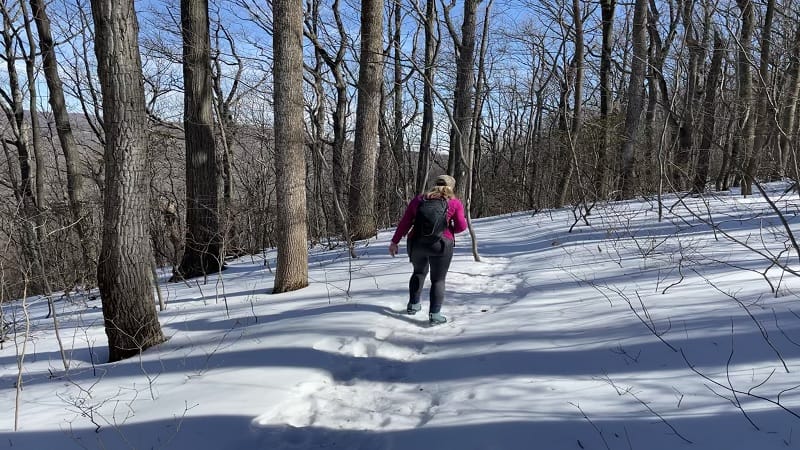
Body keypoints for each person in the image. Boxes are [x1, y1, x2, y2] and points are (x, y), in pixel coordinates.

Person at [389, 174, 468, 325]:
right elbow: (461, 227)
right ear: (451, 187)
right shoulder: (454, 203)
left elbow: (405, 222)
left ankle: (413, 305)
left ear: (435, 184)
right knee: (438, 279)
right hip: (441, 244)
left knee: (418, 272)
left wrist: (394, 242)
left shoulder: (419, 199)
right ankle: (435, 314)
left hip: (416, 243)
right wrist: (449, 227)